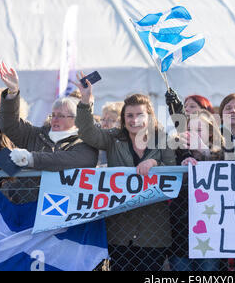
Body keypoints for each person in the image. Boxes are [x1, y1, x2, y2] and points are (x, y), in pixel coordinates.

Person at [74, 72, 176, 271]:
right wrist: (86, 99)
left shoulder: (162, 138)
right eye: (129, 115)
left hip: (153, 231)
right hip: (119, 230)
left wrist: (154, 163)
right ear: (123, 118)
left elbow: (174, 171)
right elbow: (87, 132)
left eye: (140, 115)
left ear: (150, 116)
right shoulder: (113, 138)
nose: (134, 120)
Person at [0, 62, 98, 172]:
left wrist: (31, 158)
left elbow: (70, 160)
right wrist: (12, 92)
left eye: (61, 116)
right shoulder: (36, 135)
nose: (54, 119)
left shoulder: (84, 142)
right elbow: (9, 125)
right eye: (53, 115)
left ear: (75, 119)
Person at [169, 109, 224, 271]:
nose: (193, 134)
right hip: (179, 232)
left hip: (210, 233)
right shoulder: (174, 154)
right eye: (190, 130)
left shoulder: (222, 156)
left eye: (199, 130)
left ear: (211, 134)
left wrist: (204, 154)